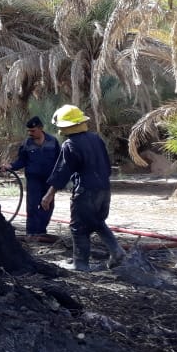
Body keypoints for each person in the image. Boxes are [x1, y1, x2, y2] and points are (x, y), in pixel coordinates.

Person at [41, 105, 126, 271]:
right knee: (97, 222)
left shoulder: (69, 144)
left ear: (66, 126)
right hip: (104, 189)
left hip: (85, 192)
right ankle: (117, 252)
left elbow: (61, 172)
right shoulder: (96, 139)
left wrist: (49, 195)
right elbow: (106, 166)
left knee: (78, 227)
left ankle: (80, 264)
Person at [1, 116, 60, 239]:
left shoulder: (53, 142)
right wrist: (10, 166)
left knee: (47, 205)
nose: (30, 133)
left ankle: (41, 232)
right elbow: (21, 161)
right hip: (33, 180)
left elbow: (59, 161)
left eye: (33, 131)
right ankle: (31, 233)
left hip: (49, 180)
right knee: (32, 206)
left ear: (40, 128)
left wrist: (58, 178)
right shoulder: (26, 144)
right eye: (29, 131)